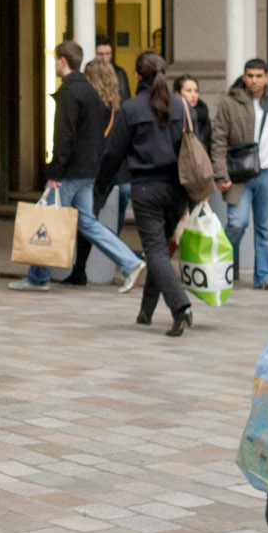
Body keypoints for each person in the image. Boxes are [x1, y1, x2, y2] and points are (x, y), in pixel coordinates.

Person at [10, 41, 144, 293]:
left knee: (47, 219)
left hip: (70, 172)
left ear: (62, 61)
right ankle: (130, 262)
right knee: (87, 222)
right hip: (88, 171)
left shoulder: (70, 91)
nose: (54, 64)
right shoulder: (90, 92)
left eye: (55, 60)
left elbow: (64, 136)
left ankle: (38, 279)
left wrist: (55, 171)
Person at [97, 56, 192, 335]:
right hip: (178, 189)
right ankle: (145, 312)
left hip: (147, 188)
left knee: (155, 252)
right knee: (160, 251)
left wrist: (100, 188)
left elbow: (113, 153)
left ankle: (180, 307)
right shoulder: (182, 107)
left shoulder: (130, 108)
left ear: (137, 76)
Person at [210, 58, 268, 290]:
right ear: (245, 77)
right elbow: (218, 141)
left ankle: (265, 277)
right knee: (237, 223)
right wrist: (221, 174)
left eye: (259, 76)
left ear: (267, 77)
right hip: (239, 174)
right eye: (250, 75)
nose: (254, 80)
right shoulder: (230, 103)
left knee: (266, 228)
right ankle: (220, 268)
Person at [61, 57, 126, 287]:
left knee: (86, 222)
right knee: (87, 220)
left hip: (91, 169)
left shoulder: (93, 106)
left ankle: (125, 261)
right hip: (107, 171)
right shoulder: (115, 107)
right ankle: (79, 269)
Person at [95, 33, 131, 101]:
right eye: (100, 54)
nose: (104, 58)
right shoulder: (89, 74)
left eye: (108, 54)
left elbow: (125, 99)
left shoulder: (119, 73)